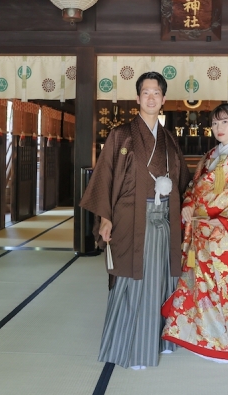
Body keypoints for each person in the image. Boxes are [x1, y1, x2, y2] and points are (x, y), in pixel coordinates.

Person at [80, 71, 191, 370]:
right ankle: (131, 349)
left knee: (163, 277)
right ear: (138, 97)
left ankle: (162, 338)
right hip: (131, 217)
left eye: (157, 93)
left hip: (163, 218)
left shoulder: (168, 139)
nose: (151, 97)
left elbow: (181, 181)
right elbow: (105, 177)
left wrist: (184, 207)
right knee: (133, 279)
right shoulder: (122, 135)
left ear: (164, 99)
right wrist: (105, 218)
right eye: (146, 92)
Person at [162, 103, 228, 363]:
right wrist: (188, 206)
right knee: (204, 288)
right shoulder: (210, 156)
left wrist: (222, 220)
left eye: (224, 122)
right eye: (214, 123)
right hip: (203, 233)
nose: (218, 128)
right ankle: (206, 338)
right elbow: (193, 188)